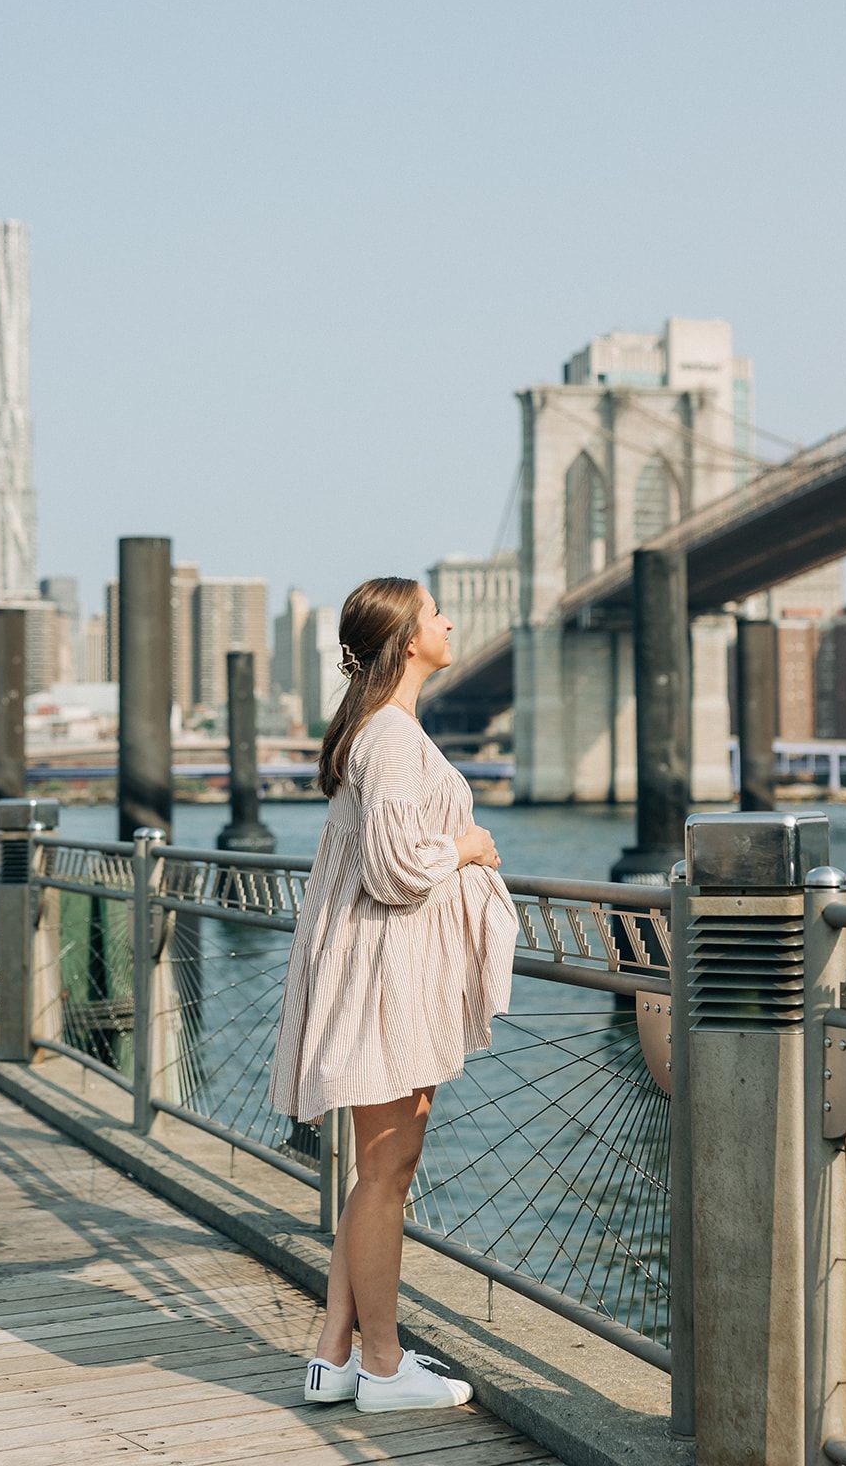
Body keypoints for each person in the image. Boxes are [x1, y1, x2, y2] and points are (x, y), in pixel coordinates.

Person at [268, 575, 518, 1413]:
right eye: (436, 613)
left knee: (382, 1169)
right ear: (410, 639)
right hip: (382, 972)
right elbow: (397, 868)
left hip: (380, 965)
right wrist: (470, 846)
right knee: (387, 1172)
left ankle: (336, 1355)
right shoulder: (393, 738)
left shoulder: (379, 732)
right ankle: (383, 1366)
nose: (451, 622)